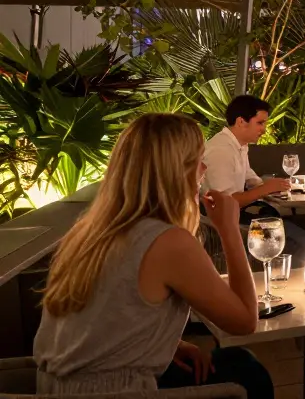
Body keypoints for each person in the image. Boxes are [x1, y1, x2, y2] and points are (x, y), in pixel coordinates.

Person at [34, 113, 272, 398]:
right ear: (176, 170)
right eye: (197, 159)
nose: (204, 168)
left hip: (56, 388)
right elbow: (244, 321)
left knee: (231, 364)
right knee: (247, 374)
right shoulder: (167, 241)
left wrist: (172, 345)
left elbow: (104, 317)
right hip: (115, 392)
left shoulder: (90, 231)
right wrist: (229, 230)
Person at [202, 94, 305, 260]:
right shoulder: (221, 151)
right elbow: (225, 203)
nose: (264, 129)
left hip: (238, 217)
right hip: (225, 225)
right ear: (241, 122)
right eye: (260, 123)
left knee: (297, 231)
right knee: (298, 239)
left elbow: (251, 179)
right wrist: (265, 188)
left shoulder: (239, 145)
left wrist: (274, 186)